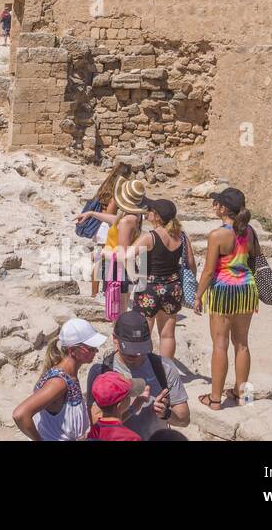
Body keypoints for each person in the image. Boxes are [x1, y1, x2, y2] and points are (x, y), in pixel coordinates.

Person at [193, 186, 258, 410]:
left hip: (224, 291)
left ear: (223, 208)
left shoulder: (217, 235)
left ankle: (215, 399)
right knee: (242, 344)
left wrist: (198, 296)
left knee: (220, 345)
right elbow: (254, 259)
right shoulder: (249, 232)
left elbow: (209, 271)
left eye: (217, 203)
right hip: (247, 290)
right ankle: (243, 396)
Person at [86, 310, 190, 439]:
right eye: (129, 349)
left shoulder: (164, 367)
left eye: (139, 349)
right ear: (115, 339)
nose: (135, 354)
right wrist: (131, 410)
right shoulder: (101, 371)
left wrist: (166, 413)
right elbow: (95, 423)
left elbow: (184, 420)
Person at [11, 318, 106, 441]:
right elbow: (20, 414)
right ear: (72, 351)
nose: (96, 351)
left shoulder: (69, 375)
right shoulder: (58, 383)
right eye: (90, 348)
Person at [130, 198, 195, 359]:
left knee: (144, 332)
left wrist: (134, 276)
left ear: (157, 216)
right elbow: (191, 264)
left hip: (149, 288)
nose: (148, 212)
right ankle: (167, 371)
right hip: (173, 287)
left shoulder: (150, 237)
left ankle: (145, 369)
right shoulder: (182, 236)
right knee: (167, 334)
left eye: (150, 210)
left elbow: (128, 255)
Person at [78, 178, 146, 314]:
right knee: (117, 309)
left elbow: (123, 254)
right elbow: (114, 220)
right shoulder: (133, 215)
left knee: (116, 312)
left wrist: (102, 253)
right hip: (121, 269)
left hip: (118, 270)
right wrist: (91, 213)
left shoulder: (128, 220)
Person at [87, 372, 143, 441]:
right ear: (120, 404)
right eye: (128, 396)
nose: (130, 398)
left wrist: (132, 409)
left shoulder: (93, 432)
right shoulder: (132, 438)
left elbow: (111, 427)